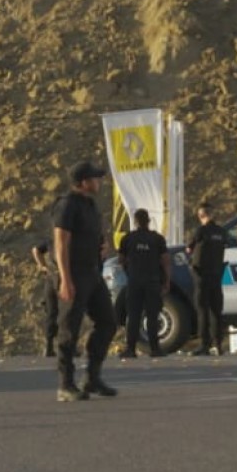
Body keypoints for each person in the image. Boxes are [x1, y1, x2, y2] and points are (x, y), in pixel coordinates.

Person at [50, 161, 119, 402]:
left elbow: (93, 236)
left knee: (108, 321)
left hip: (92, 272)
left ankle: (92, 376)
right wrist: (66, 279)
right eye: (95, 178)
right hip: (74, 273)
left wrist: (102, 246)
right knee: (69, 329)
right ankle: (65, 384)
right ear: (83, 182)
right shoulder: (67, 204)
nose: (99, 181)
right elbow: (61, 243)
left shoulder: (90, 205)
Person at [117, 208, 170, 358]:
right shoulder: (157, 239)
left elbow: (121, 260)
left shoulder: (127, 238)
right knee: (153, 315)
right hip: (152, 281)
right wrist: (166, 281)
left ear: (135, 222)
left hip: (134, 281)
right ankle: (155, 349)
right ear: (148, 221)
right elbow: (165, 260)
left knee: (133, 316)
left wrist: (129, 269)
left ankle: (130, 349)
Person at [187, 202, 230, 355]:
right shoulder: (221, 232)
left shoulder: (200, 231)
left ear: (200, 216)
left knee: (202, 310)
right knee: (216, 311)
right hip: (216, 274)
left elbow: (189, 248)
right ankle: (218, 344)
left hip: (201, 275)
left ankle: (204, 344)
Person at [30, 237, 59, 357]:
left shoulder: (52, 239)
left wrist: (43, 266)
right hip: (61, 278)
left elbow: (36, 250)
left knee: (52, 313)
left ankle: (49, 346)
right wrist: (42, 266)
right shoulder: (70, 238)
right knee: (67, 313)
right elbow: (36, 250)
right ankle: (65, 346)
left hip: (52, 278)